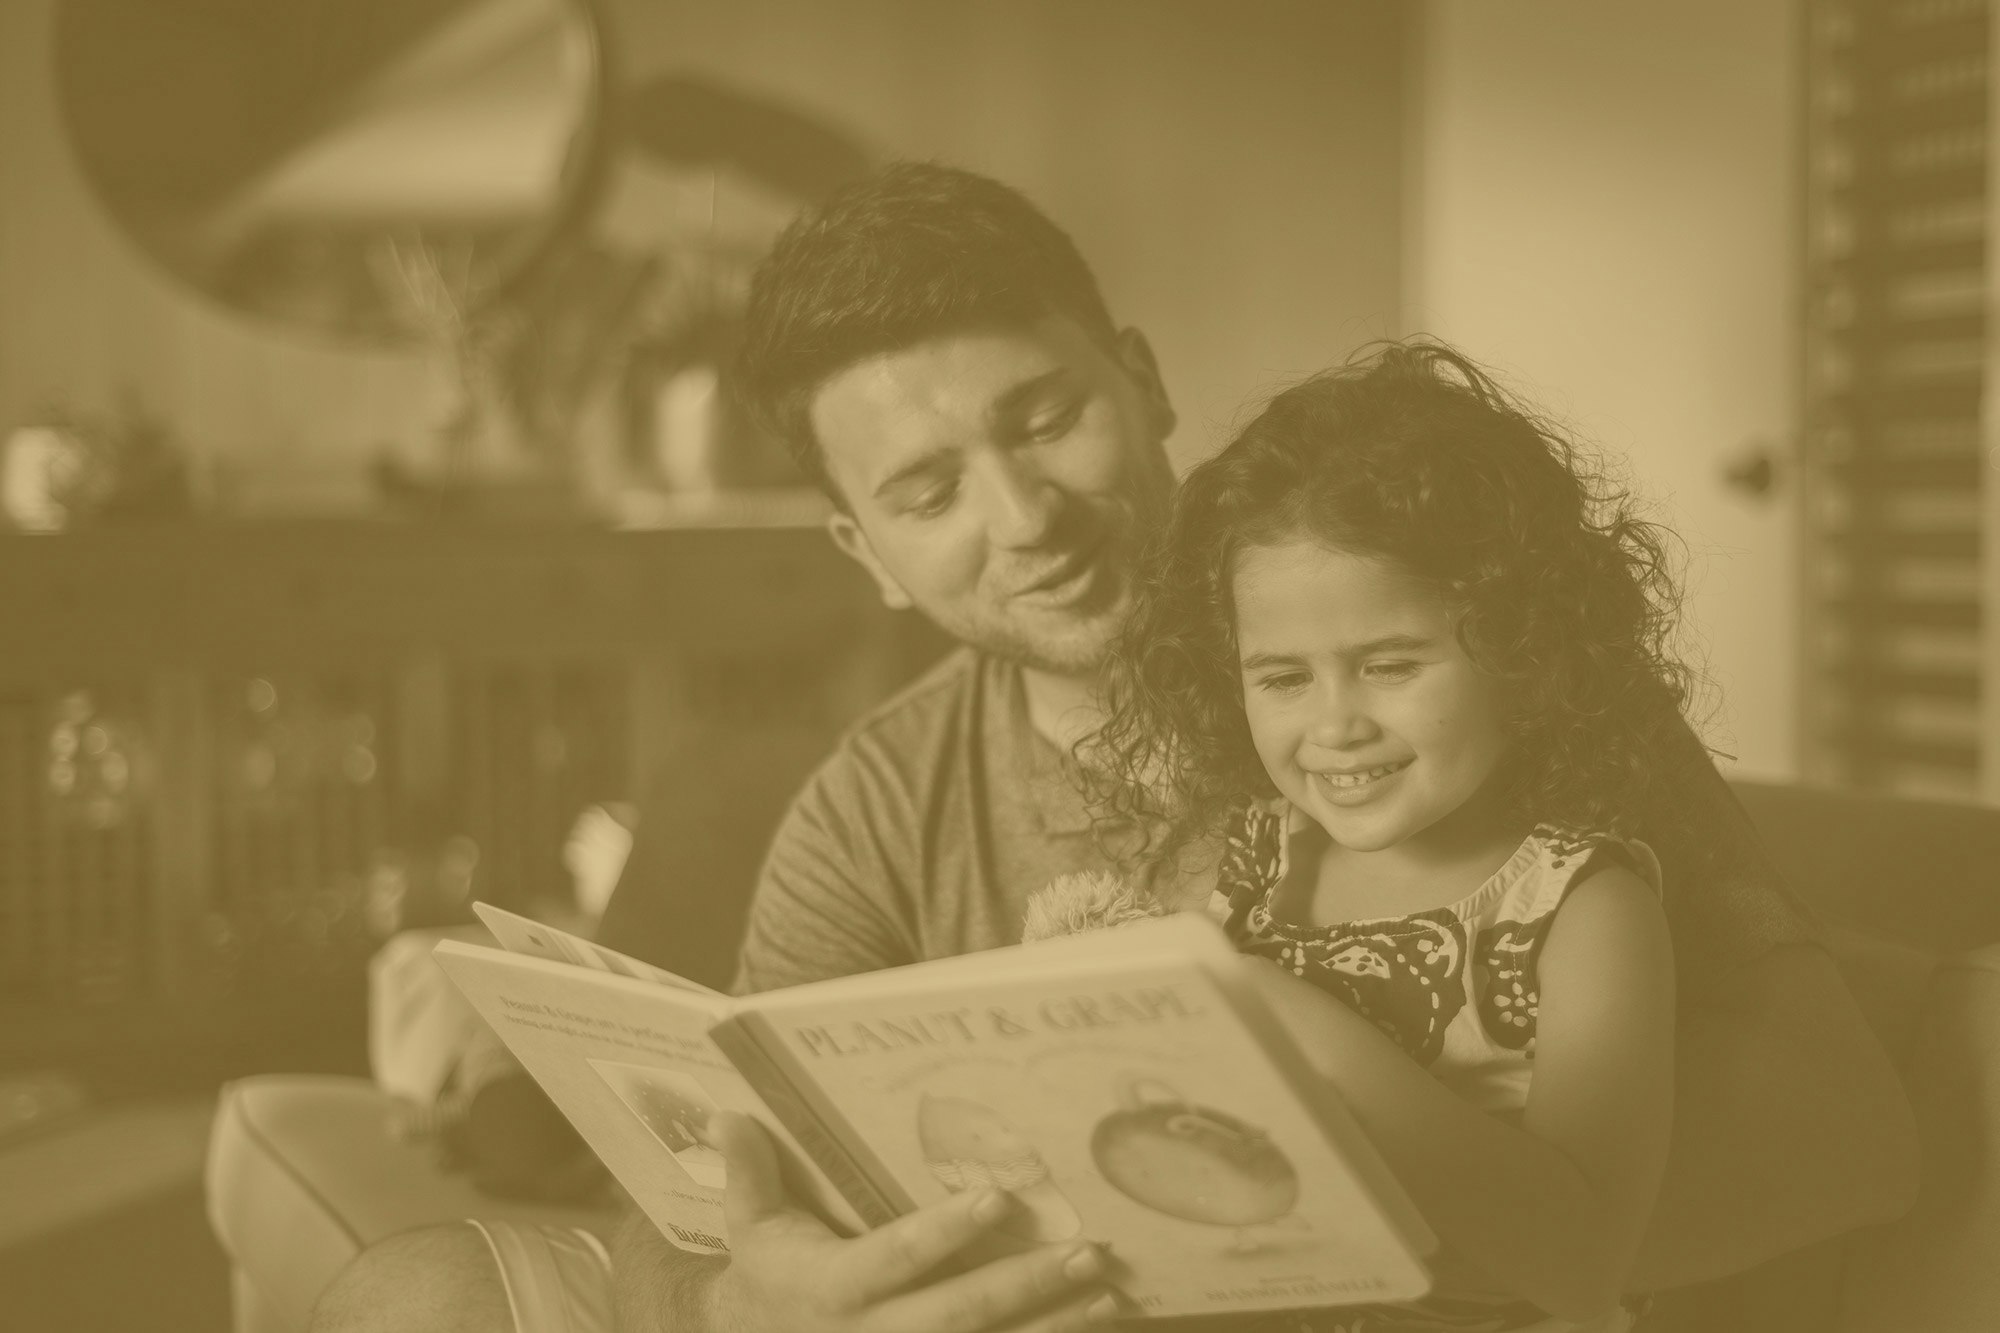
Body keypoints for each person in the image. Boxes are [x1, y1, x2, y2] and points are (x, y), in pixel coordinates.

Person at [312, 163, 1917, 1333]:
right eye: (929, 493)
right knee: (409, 1291)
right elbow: (728, 1201)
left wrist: (1307, 1215)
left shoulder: (1487, 715)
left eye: (1042, 421)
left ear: (1139, 383)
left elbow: (1842, 1126)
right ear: (862, 547)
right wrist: (766, 1293)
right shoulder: (872, 807)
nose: (1026, 521)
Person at [1086, 339, 1686, 1330]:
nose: (1332, 727)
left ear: (1520, 650)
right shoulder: (1256, 865)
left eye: (1388, 665)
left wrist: (1292, 1025)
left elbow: (1580, 1258)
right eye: (1281, 677)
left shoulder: (1586, 910)